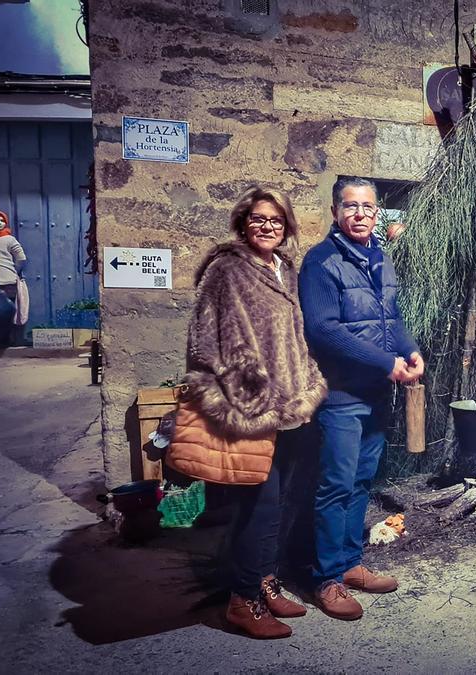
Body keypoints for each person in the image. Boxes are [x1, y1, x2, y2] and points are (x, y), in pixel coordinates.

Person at [181, 187, 328, 639]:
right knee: (257, 508)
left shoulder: (284, 268)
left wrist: (306, 384)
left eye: (276, 220)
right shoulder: (226, 269)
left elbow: (296, 336)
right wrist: (253, 398)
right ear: (243, 221)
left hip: (291, 408)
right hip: (252, 409)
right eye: (259, 218)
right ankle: (241, 600)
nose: (268, 227)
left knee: (282, 503)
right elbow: (206, 341)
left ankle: (265, 582)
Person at [299, 176, 424, 621]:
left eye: (368, 207)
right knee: (335, 485)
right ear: (335, 212)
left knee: (360, 482)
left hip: (375, 393)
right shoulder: (321, 262)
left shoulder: (380, 259)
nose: (360, 214)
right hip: (341, 393)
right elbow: (324, 330)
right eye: (350, 206)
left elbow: (394, 319)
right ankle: (327, 580)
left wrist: (409, 349)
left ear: (377, 213)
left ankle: (351, 565)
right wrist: (385, 363)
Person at [0, 211, 27, 345]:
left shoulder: (10, 239)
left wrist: (14, 270)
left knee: (6, 312)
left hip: (7, 282)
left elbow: (21, 257)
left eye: (2, 220)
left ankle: (6, 340)